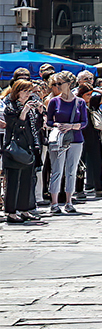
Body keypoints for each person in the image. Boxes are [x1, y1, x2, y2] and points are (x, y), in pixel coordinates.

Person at [45, 73, 87, 215]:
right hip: (59, 139)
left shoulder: (80, 102)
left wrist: (72, 126)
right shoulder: (53, 101)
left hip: (75, 138)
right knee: (56, 170)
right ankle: (54, 203)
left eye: (59, 83)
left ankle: (69, 201)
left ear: (69, 84)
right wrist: (58, 124)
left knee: (71, 171)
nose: (57, 87)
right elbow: (49, 121)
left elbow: (84, 122)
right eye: (55, 84)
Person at [3, 80, 45, 223]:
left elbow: (36, 127)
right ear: (18, 91)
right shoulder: (11, 107)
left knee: (28, 180)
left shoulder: (31, 106)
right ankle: (11, 212)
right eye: (25, 91)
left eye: (30, 91)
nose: (28, 94)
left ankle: (25, 209)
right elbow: (14, 126)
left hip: (29, 147)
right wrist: (24, 111)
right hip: (14, 148)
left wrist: (39, 112)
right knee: (13, 181)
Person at [76, 71, 102, 200]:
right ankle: (79, 189)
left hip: (94, 135)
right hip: (80, 136)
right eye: (86, 79)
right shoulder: (75, 100)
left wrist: (95, 90)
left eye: (91, 78)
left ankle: (99, 188)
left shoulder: (93, 100)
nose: (89, 80)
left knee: (97, 161)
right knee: (80, 164)